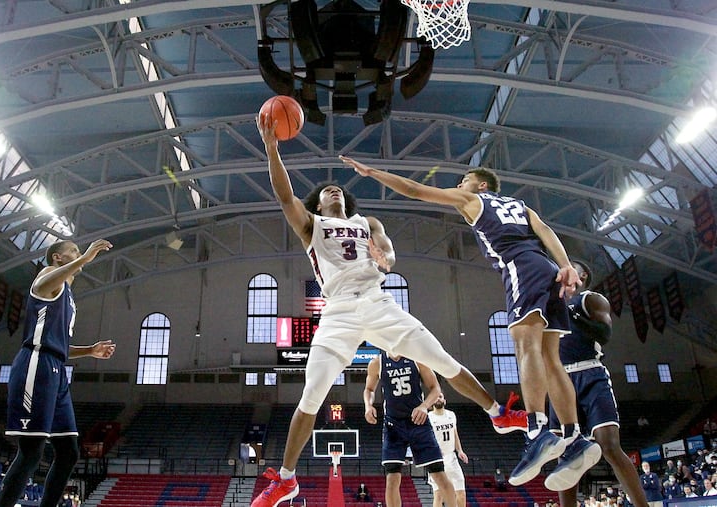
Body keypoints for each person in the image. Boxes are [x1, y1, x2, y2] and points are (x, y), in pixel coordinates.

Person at [251, 113, 527, 507]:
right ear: (318, 202)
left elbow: (389, 252)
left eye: (338, 189)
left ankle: (498, 412)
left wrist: (386, 257)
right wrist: (271, 148)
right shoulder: (310, 225)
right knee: (311, 396)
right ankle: (287, 479)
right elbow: (283, 196)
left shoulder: (368, 222)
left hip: (379, 302)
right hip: (339, 312)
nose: (334, 191)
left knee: (444, 361)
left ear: (347, 200)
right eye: (327, 190)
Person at [341, 156, 601, 490]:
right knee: (552, 360)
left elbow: (416, 190)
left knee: (525, 347)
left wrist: (372, 172)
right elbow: (546, 230)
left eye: (465, 180)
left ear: (480, 185)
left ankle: (538, 431)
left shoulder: (473, 199)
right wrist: (564, 265)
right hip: (547, 267)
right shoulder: (521, 206)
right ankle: (575, 437)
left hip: (520, 267)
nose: (460, 184)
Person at [0, 239, 116, 507]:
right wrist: (84, 258)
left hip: (56, 369)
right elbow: (38, 286)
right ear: (58, 258)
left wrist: (90, 351)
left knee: (68, 452)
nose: (77, 252)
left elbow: (58, 344)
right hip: (35, 364)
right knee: (31, 452)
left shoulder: (66, 294)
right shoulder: (47, 275)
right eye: (72, 250)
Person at [546, 260, 648, 506]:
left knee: (609, 444)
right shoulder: (548, 305)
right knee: (566, 456)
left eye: (569, 265)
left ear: (582, 276)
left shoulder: (590, 299)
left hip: (589, 372)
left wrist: (574, 315)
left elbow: (604, 334)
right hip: (560, 379)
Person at [364, 353, 457, 507]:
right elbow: (369, 389)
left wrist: (424, 406)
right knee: (392, 479)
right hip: (393, 425)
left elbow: (435, 388)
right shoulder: (377, 363)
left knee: (439, 474)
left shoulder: (417, 358)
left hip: (418, 422)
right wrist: (368, 405)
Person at [427, 392, 468, 507]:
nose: (438, 399)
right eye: (435, 397)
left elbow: (454, 433)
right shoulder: (428, 417)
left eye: (440, 396)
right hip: (437, 459)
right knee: (438, 495)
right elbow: (425, 438)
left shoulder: (451, 415)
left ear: (444, 400)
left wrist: (460, 450)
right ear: (432, 402)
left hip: (452, 457)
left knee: (461, 493)